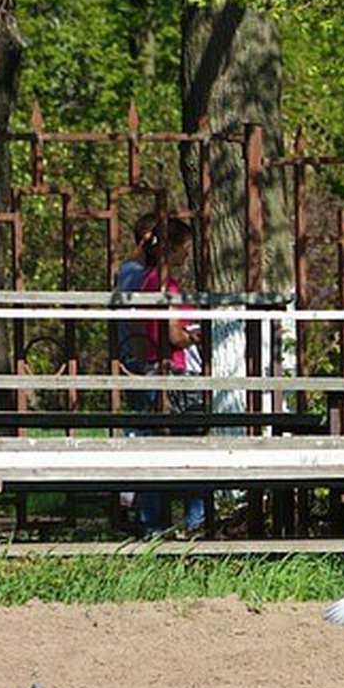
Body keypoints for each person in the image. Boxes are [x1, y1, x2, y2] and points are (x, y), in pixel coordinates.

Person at [140, 218, 206, 537]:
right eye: (184, 246)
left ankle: (153, 522)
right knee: (190, 449)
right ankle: (196, 521)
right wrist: (200, 336)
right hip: (172, 371)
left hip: (150, 369)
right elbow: (174, 334)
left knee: (154, 449)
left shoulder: (146, 280)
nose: (186, 253)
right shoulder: (166, 285)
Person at [114, 213, 160, 524]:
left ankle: (141, 506)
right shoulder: (134, 273)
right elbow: (134, 316)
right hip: (139, 360)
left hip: (139, 358)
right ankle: (137, 506)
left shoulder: (133, 271)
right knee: (144, 430)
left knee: (145, 429)